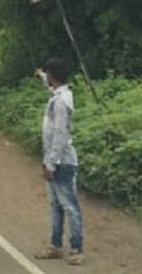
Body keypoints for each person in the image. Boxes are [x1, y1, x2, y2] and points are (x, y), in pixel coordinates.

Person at [33, 57, 85, 266]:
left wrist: (51, 163)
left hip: (62, 162)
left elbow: (60, 134)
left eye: (48, 73)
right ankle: (55, 246)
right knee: (55, 205)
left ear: (54, 75)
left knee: (69, 206)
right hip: (54, 159)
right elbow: (51, 86)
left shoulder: (61, 102)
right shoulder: (59, 94)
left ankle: (77, 249)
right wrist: (42, 77)